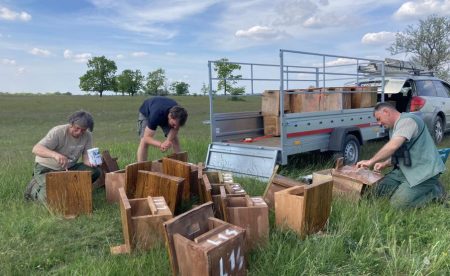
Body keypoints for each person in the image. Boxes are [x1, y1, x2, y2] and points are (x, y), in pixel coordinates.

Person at [356, 102, 446, 209]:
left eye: (379, 119)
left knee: (397, 205)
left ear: (386, 112)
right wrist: (384, 164)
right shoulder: (394, 128)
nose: (379, 123)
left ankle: (435, 192)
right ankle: (413, 190)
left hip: (424, 172)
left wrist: (370, 161)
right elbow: (401, 152)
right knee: (377, 192)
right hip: (405, 171)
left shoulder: (407, 121)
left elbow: (393, 146)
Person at [25, 110, 101, 202]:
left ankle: (72, 191)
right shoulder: (58, 131)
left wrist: (91, 162)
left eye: (83, 130)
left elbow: (85, 155)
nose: (79, 132)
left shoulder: (87, 135)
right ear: (71, 124)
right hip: (46, 168)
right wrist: (55, 155)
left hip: (68, 168)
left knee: (94, 171)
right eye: (77, 128)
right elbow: (36, 149)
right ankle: (33, 189)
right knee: (50, 196)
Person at [137, 96, 188, 162]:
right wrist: (161, 145)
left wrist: (168, 140)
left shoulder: (179, 114)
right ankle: (141, 166)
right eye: (174, 125)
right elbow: (146, 138)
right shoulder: (156, 115)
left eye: (178, 126)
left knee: (174, 139)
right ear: (170, 116)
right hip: (147, 111)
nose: (175, 128)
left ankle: (181, 164)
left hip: (163, 110)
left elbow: (175, 129)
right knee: (144, 142)